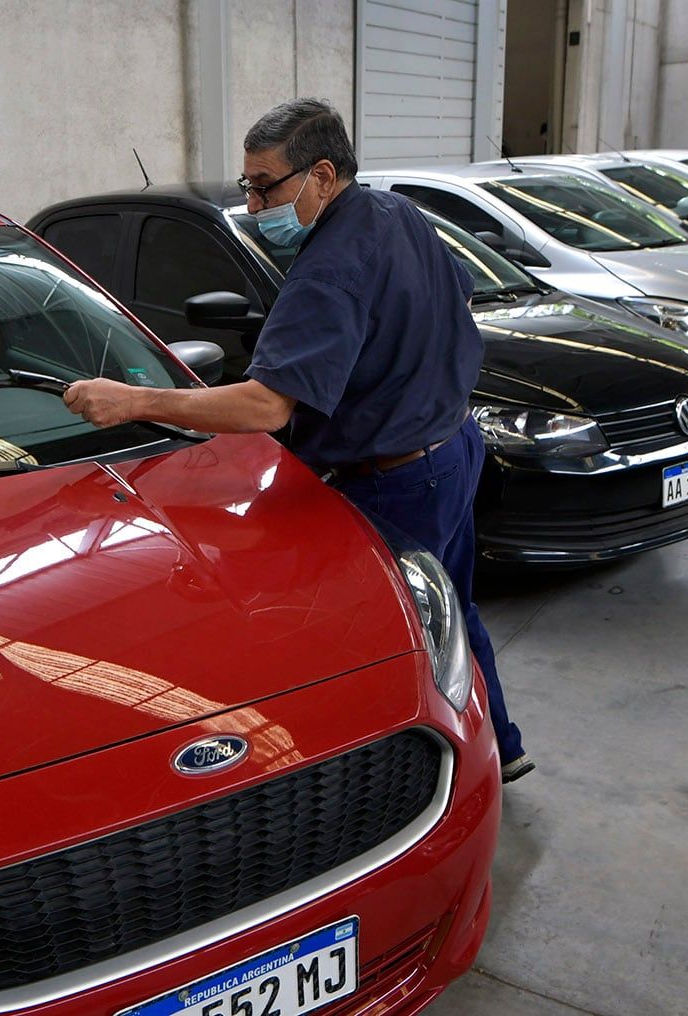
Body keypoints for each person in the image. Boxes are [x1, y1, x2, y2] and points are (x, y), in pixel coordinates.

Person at [62, 98, 532, 783]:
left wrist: (134, 400)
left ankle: (432, 785)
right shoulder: (394, 213)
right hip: (453, 449)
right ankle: (501, 747)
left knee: (386, 647)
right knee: (449, 612)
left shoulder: (329, 267)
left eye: (263, 186)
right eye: (248, 186)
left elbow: (264, 407)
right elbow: (450, 303)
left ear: (320, 176)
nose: (254, 205)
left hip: (394, 482)